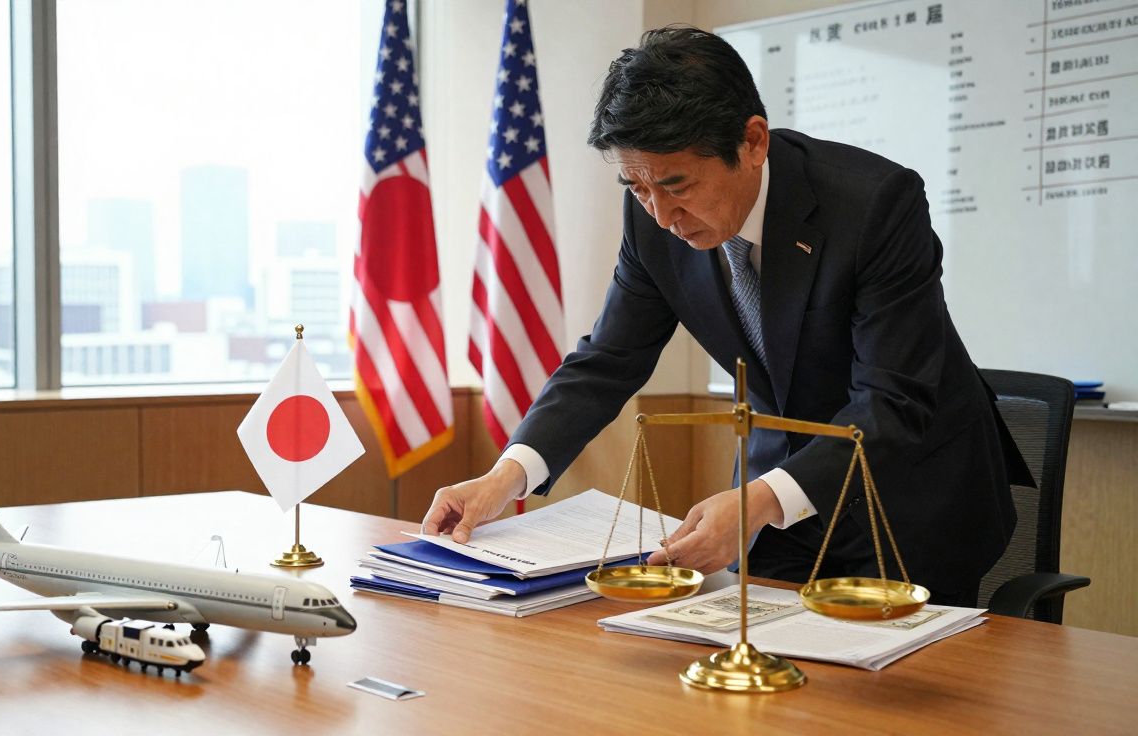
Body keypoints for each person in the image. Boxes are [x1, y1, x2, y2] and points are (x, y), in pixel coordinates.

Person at [422, 27, 1028, 606]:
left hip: (908, 497)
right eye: (637, 187)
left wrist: (762, 499)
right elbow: (607, 360)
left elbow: (892, 401)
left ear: (754, 141)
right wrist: (506, 477)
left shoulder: (875, 204)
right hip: (775, 504)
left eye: (676, 184)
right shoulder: (652, 217)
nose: (661, 214)